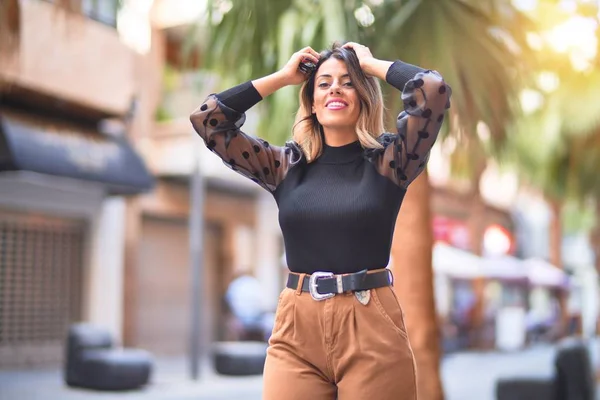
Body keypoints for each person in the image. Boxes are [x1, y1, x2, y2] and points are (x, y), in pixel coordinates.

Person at [190, 41, 451, 400]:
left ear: (362, 96)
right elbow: (209, 121)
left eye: (347, 82)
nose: (335, 90)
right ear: (312, 102)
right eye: (324, 83)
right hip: (296, 328)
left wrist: (371, 64)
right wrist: (283, 78)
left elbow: (433, 91)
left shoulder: (392, 161)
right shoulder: (284, 166)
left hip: (370, 323)